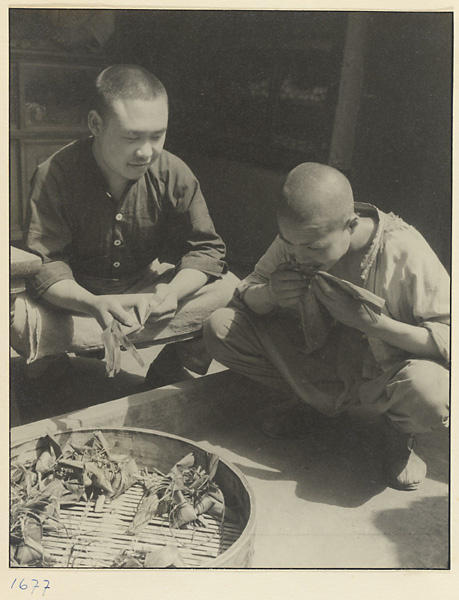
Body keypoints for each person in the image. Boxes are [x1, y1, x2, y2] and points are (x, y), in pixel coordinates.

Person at [203, 162, 450, 491]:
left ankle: (398, 433)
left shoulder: (403, 249)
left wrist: (374, 324)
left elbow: (449, 339)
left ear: (350, 224)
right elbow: (245, 296)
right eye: (289, 243)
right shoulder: (300, 237)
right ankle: (310, 403)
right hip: (321, 361)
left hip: (385, 372)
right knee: (221, 328)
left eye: (314, 248)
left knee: (434, 392)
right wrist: (271, 293)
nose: (300, 256)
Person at [12, 64, 238, 384]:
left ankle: (169, 366)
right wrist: (92, 303)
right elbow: (45, 265)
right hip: (76, 297)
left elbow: (207, 249)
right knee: (18, 318)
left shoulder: (174, 172)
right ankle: (55, 364)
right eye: (132, 137)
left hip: (142, 291)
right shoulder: (54, 174)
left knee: (231, 290)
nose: (146, 152)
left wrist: (173, 293)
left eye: (157, 136)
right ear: (95, 124)